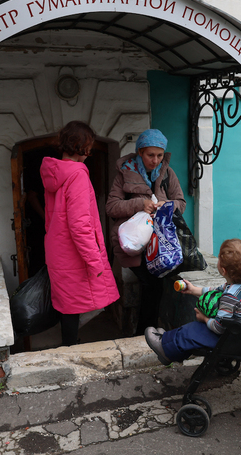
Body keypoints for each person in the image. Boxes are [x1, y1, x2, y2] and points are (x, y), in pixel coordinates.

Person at [40, 121, 120, 346]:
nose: (91, 151)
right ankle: (70, 349)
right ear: (83, 147)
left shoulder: (53, 173)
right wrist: (95, 262)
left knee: (68, 304)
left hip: (58, 249)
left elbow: (52, 219)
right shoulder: (77, 176)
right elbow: (79, 225)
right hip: (74, 252)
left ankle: (68, 345)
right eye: (90, 146)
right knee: (77, 303)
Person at [106, 129, 186, 335]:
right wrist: (139, 204)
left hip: (160, 244)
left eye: (159, 155)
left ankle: (144, 331)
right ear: (140, 151)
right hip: (134, 243)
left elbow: (181, 203)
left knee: (154, 286)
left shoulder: (168, 172)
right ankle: (145, 332)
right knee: (151, 284)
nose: (155, 160)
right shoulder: (125, 172)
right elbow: (111, 207)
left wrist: (166, 205)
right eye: (151, 155)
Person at [144, 239, 241, 364]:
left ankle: (166, 349)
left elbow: (218, 328)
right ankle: (168, 339)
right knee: (196, 329)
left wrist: (204, 318)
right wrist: (193, 290)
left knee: (193, 330)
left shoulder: (231, 296)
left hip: (240, 341)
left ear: (223, 270)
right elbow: (216, 290)